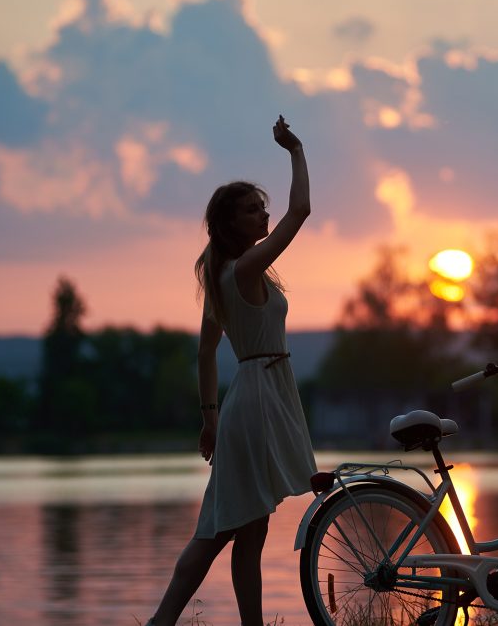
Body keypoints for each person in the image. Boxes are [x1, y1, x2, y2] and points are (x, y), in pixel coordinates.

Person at [146, 116, 315, 626]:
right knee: (219, 529)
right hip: (260, 400)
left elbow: (203, 355)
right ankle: (160, 621)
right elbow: (302, 209)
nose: (263, 213)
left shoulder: (221, 276)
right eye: (252, 209)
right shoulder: (241, 270)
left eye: (262, 206)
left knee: (245, 531)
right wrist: (296, 150)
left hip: (250, 398)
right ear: (229, 224)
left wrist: (210, 417)